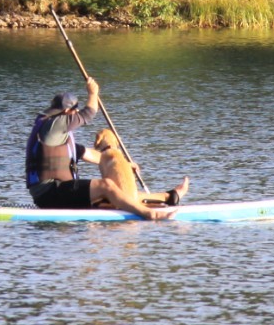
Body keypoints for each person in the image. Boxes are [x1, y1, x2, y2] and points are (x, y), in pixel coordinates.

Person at [24, 76, 186, 220]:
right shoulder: (55, 124)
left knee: (121, 193)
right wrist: (93, 94)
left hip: (60, 192)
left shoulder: (58, 135)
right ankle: (151, 214)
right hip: (50, 193)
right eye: (74, 112)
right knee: (106, 186)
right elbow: (89, 113)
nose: (76, 115)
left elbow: (91, 155)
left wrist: (123, 165)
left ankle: (169, 197)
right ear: (67, 111)